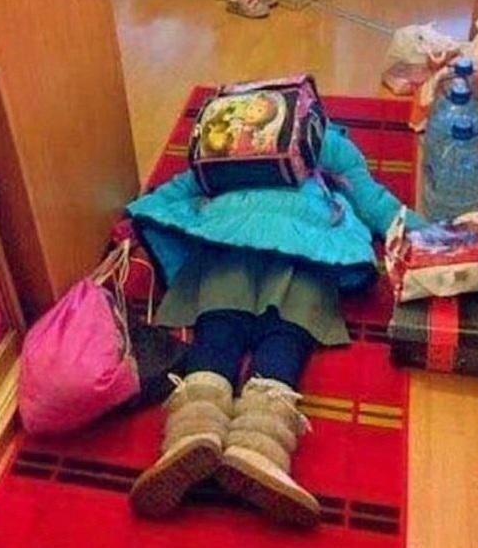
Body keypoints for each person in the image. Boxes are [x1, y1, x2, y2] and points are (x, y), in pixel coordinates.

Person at [125, 121, 424, 527]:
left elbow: (179, 188)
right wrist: (435, 236)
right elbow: (377, 206)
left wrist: (140, 215)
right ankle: (259, 449)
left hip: (228, 240)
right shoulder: (327, 143)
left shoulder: (223, 139)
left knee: (219, 326)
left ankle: (191, 433)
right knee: (287, 331)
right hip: (305, 248)